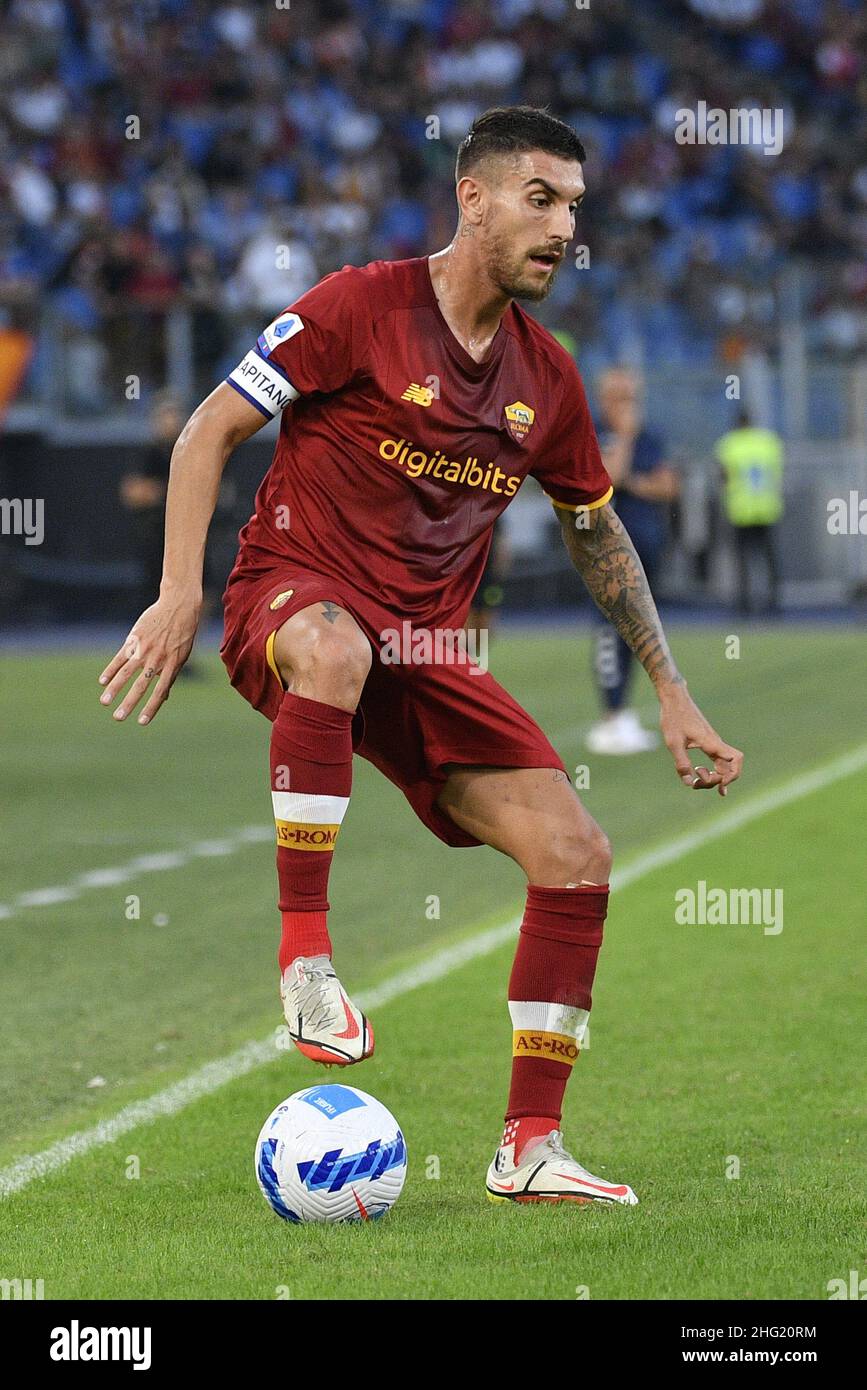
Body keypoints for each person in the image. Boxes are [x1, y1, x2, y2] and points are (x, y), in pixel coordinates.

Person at [98, 107, 742, 1208]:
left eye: (576, 206)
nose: (563, 228)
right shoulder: (357, 307)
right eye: (542, 198)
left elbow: (597, 530)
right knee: (338, 648)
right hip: (293, 602)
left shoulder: (549, 378)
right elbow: (208, 428)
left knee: (576, 850)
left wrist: (674, 691)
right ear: (474, 197)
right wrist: (178, 591)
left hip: (427, 651)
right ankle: (307, 962)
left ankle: (529, 1145)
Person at [586, 367, 680, 755]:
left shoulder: (651, 434)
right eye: (621, 397)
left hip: (646, 545)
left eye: (632, 397)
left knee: (640, 631)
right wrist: (624, 439)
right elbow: (609, 477)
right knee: (608, 630)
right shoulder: (592, 430)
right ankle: (611, 714)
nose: (629, 406)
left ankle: (624, 711)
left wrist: (635, 484)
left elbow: (669, 486)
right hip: (604, 549)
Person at [716, 408, 784, 615]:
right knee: (769, 557)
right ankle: (772, 601)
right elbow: (776, 473)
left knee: (743, 558)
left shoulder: (729, 444)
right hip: (766, 507)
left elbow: (724, 476)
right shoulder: (768, 442)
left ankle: (744, 604)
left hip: (741, 510)